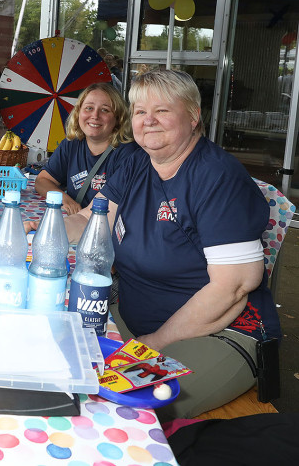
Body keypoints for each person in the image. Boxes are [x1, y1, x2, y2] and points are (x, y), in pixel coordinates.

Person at [64, 70, 281, 420]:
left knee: (121, 411)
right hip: (133, 316)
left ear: (193, 116)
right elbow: (91, 220)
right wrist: (37, 228)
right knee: (61, 359)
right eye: (138, 111)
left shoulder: (217, 178)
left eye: (162, 110)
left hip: (217, 333)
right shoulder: (136, 162)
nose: (148, 121)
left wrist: (153, 344)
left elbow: (234, 287)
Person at [35, 82, 136, 214]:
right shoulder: (72, 144)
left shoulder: (129, 154)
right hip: (76, 225)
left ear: (118, 118)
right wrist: (65, 199)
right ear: (78, 113)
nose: (95, 116)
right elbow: (42, 180)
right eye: (89, 108)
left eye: (105, 110)